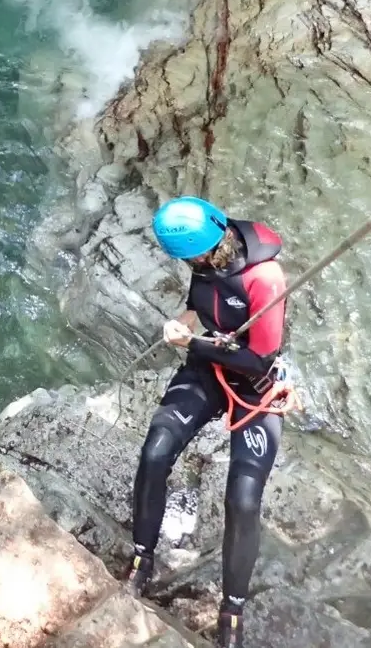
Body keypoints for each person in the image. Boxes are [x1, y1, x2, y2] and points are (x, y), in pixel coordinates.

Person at [124, 195, 292, 648]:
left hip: (254, 383)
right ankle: (142, 557)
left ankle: (232, 607)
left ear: (205, 243)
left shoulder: (264, 277)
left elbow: (260, 358)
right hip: (207, 369)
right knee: (156, 451)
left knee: (242, 500)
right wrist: (180, 324)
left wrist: (192, 345)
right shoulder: (206, 257)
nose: (186, 263)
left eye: (186, 256)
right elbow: (199, 304)